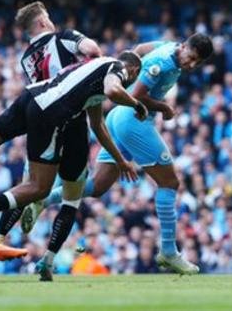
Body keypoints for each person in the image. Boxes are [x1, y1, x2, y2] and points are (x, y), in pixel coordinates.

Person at [30, 34, 214, 277]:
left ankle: (43, 200)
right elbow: (137, 96)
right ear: (184, 47)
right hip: (131, 122)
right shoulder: (164, 63)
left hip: (117, 117)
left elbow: (136, 50)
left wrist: (121, 74)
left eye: (196, 62)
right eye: (191, 57)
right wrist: (164, 107)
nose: (191, 64)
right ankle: (169, 251)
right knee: (170, 183)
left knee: (98, 186)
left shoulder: (166, 46)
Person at [0, 53, 148, 281]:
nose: (130, 82)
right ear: (133, 70)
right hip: (52, 113)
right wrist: (136, 104)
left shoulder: (93, 71)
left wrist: (120, 161)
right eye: (133, 77)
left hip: (32, 96)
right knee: (41, 189)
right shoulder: (118, 68)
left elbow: (98, 125)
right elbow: (114, 90)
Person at [0, 1, 102, 246]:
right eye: (47, 17)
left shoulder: (26, 57)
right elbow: (93, 49)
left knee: (29, 186)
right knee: (72, 195)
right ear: (43, 22)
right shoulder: (63, 37)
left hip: (41, 120)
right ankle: (47, 259)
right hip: (72, 119)